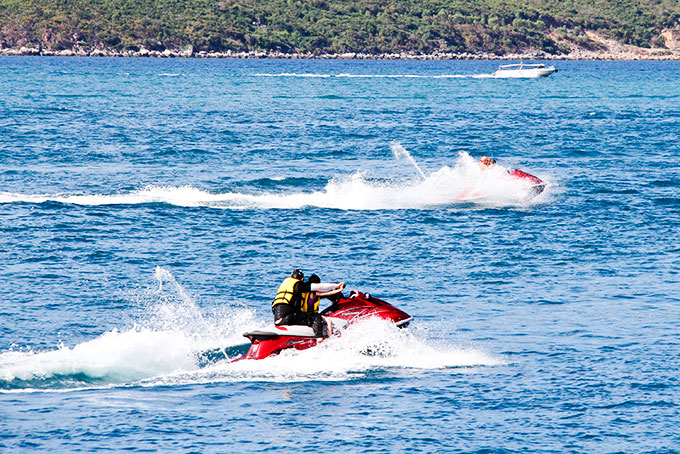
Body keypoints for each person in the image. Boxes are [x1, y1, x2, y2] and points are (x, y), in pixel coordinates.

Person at [272, 269, 345, 338]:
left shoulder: (287, 286)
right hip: (290, 318)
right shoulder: (301, 287)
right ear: (302, 279)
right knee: (318, 318)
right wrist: (337, 286)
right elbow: (323, 289)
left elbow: (326, 293)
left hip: (278, 319)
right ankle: (321, 338)